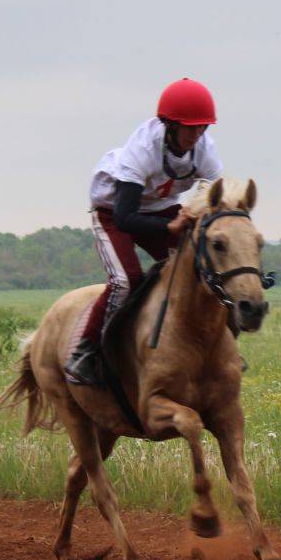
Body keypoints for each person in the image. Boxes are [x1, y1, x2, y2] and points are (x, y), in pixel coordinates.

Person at [63, 78, 223, 387]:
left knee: (202, 268)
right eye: (189, 127)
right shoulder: (143, 149)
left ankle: (215, 344)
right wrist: (169, 226)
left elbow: (218, 196)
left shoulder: (205, 149)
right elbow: (126, 217)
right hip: (114, 211)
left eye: (202, 127)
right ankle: (87, 351)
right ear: (169, 124)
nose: (196, 134)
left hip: (160, 207)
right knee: (127, 281)